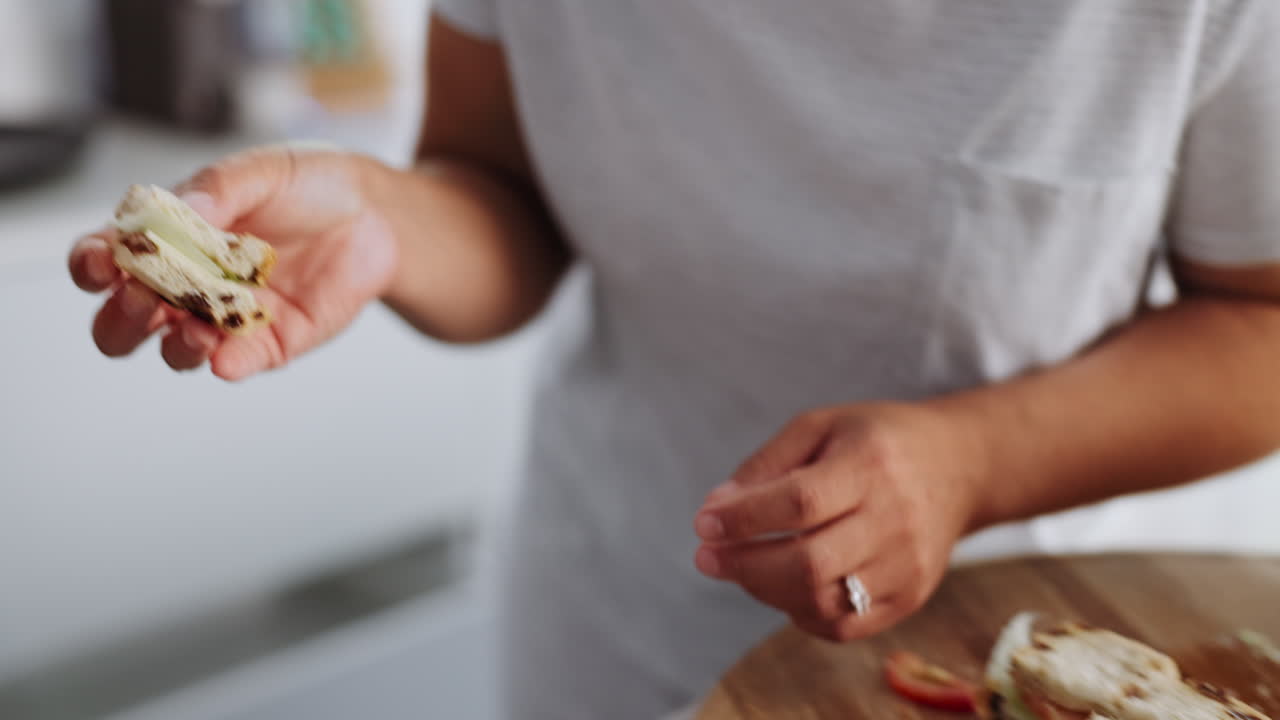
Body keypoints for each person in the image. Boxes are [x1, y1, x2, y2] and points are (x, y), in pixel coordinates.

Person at [70, 2, 1280, 718]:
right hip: (613, 623)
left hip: (1029, 637)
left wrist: (972, 461)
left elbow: (1260, 323)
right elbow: (499, 189)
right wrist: (382, 228)